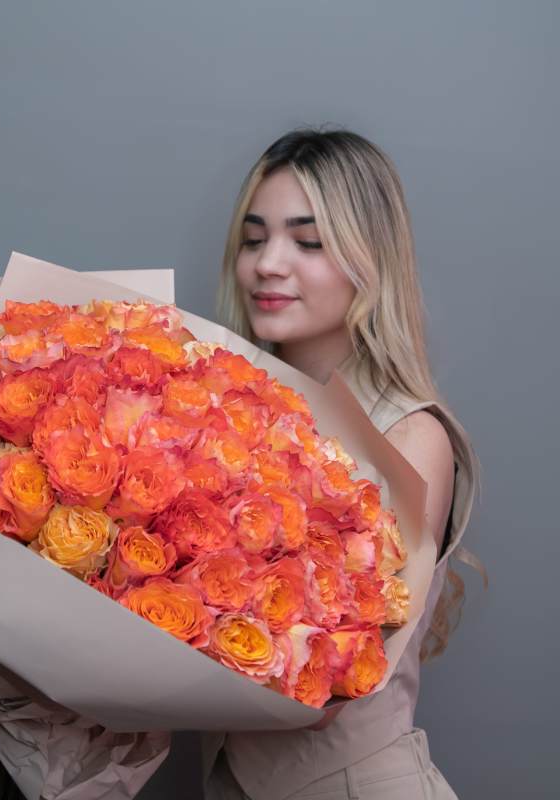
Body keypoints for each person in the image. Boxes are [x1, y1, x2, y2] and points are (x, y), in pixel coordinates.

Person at [202, 127, 489, 800]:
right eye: (253, 239)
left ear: (369, 260)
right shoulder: (220, 418)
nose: (269, 264)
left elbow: (337, 682)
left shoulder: (411, 436)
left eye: (308, 243)